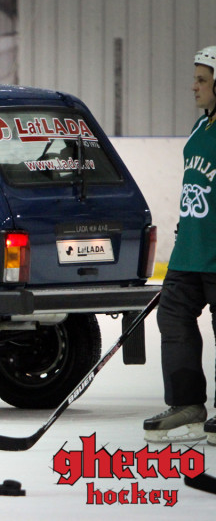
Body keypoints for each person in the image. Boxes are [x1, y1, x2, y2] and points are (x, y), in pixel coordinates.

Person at [143, 46, 216, 446]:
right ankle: (187, 404)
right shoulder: (198, 127)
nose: (194, 87)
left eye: (202, 80)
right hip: (190, 254)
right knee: (172, 321)